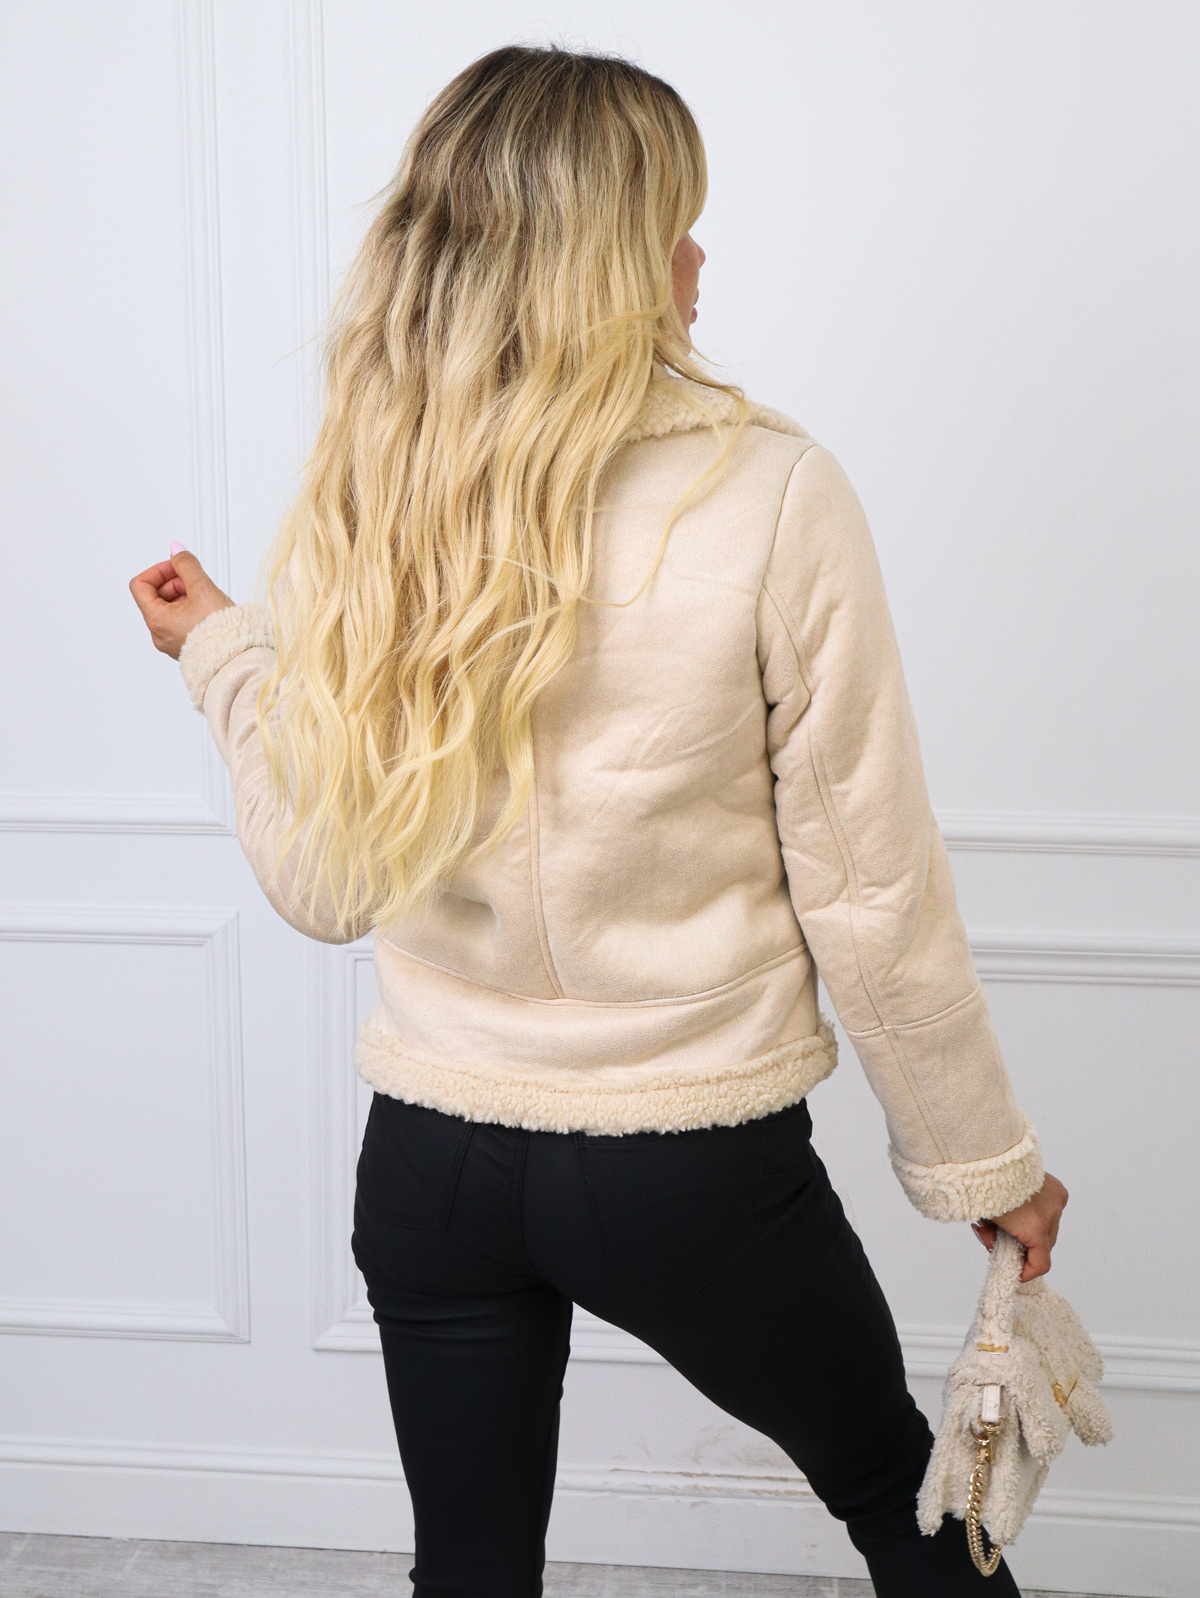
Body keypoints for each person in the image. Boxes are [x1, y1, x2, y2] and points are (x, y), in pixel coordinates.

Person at [131, 44, 1067, 1598]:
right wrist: (987, 1168)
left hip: (431, 1162)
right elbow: (871, 893)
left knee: (470, 1569)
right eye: (672, 226)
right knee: (904, 1507)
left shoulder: (386, 487)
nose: (700, 258)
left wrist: (224, 654)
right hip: (683, 1168)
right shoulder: (771, 492)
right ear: (603, 262)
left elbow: (319, 880)